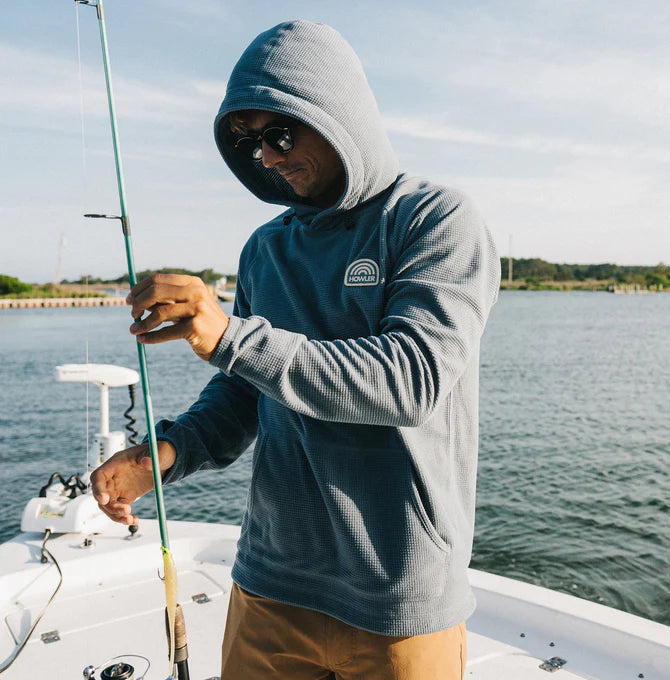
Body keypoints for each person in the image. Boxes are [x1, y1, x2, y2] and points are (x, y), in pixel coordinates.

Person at [92, 19, 500, 680]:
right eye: (249, 145)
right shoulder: (265, 249)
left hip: (398, 598)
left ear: (337, 115)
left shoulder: (435, 220)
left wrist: (228, 335)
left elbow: (411, 379)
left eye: (280, 134)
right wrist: (163, 454)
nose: (269, 158)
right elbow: (245, 391)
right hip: (271, 584)